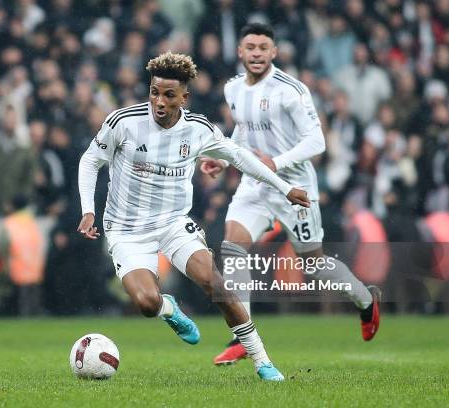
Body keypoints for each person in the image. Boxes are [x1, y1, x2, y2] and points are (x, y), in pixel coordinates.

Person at [77, 51, 310, 381]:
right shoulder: (123, 122)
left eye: (169, 95)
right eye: (154, 92)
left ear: (184, 98)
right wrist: (88, 209)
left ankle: (262, 361)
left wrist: (285, 188)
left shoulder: (199, 129)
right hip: (126, 228)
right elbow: (89, 161)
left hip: (173, 223)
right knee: (145, 303)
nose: (159, 101)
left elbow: (241, 157)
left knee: (217, 285)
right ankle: (168, 308)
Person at [199, 23, 381, 366]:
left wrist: (276, 161)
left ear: (274, 52)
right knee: (233, 245)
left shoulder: (290, 90)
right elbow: (243, 127)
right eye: (250, 47)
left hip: (295, 188)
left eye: (262, 47)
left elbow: (317, 141)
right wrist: (223, 160)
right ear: (240, 52)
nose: (256, 53)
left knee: (313, 265)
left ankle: (365, 301)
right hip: (255, 183)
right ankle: (242, 335)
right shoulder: (233, 88)